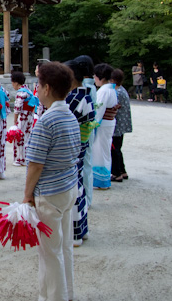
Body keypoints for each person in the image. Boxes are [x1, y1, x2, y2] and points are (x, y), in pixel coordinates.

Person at [23, 61, 81, 301]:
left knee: (50, 252)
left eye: (38, 85)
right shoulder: (70, 116)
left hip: (49, 193)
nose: (36, 89)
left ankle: (54, 297)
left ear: (46, 88)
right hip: (68, 187)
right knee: (63, 247)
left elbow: (36, 164)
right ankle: (66, 293)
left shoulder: (46, 122)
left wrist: (27, 195)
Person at [64, 59, 96, 248]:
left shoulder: (74, 98)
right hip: (81, 146)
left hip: (72, 148)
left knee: (73, 191)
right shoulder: (85, 95)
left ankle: (75, 233)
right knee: (79, 187)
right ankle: (82, 229)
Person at [92, 63, 119, 190]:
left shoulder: (103, 91)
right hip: (109, 123)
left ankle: (101, 180)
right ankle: (104, 178)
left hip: (102, 124)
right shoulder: (111, 89)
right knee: (105, 150)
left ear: (100, 77)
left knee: (100, 151)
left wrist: (93, 123)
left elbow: (99, 110)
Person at [75, 55, 97, 208]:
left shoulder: (85, 88)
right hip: (89, 129)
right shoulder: (92, 87)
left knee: (84, 164)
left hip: (82, 129)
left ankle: (85, 198)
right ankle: (87, 198)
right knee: (87, 163)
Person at [11, 70, 38, 167]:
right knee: (27, 137)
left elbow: (17, 108)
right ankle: (27, 157)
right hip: (30, 116)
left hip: (23, 117)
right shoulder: (28, 91)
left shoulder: (20, 93)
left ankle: (20, 158)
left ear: (16, 82)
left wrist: (15, 119)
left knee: (20, 137)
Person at [110, 69, 132, 183]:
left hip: (117, 125)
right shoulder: (122, 90)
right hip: (122, 125)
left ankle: (116, 173)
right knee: (118, 148)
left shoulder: (117, 92)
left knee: (114, 149)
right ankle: (122, 171)